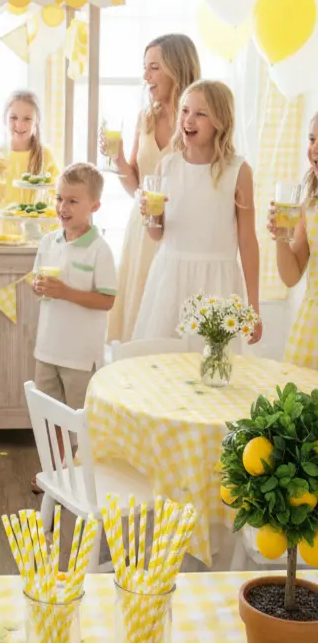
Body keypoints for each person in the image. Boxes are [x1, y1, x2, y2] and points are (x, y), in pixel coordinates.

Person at [133, 81, 262, 343]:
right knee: (161, 364)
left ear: (221, 121)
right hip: (170, 279)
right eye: (184, 111)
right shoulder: (167, 166)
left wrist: (254, 307)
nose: (188, 120)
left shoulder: (237, 172)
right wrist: (151, 217)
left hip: (218, 285)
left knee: (213, 363)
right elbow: (157, 235)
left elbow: (248, 242)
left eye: (200, 114)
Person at [105, 34, 200, 342]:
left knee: (170, 321)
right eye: (145, 68)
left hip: (181, 230)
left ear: (176, 68)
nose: (146, 77)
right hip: (143, 229)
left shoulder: (198, 121)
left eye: (154, 68)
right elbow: (136, 185)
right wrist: (117, 160)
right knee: (139, 318)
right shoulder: (145, 118)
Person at [32, 162, 117, 410]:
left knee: (79, 423)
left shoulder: (99, 250)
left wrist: (66, 292)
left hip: (80, 357)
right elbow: (36, 283)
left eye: (72, 201)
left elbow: (107, 300)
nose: (62, 207)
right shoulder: (49, 242)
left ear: (94, 206)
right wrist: (37, 286)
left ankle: (77, 453)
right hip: (47, 350)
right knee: (48, 419)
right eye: (59, 198)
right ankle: (53, 453)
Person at [271, 111, 318, 368]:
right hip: (312, 327)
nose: (314, 149)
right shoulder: (309, 206)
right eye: (312, 139)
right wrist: (280, 237)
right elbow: (291, 276)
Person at [0, 90, 59, 212]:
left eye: (27, 119)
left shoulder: (45, 156)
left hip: (34, 229)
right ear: (4, 119)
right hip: (0, 229)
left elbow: (57, 198)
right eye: (13, 118)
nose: (19, 125)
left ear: (37, 121)